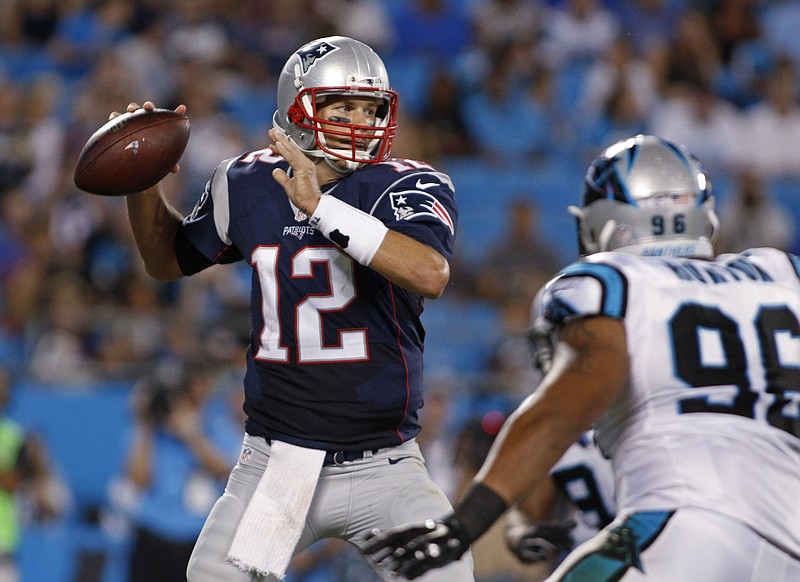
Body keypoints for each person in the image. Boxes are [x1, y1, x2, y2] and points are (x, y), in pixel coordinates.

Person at [364, 134, 800, 581]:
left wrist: (464, 524)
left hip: (688, 528)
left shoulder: (610, 282)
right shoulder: (781, 273)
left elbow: (567, 404)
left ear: (605, 223)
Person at [114, 36, 470, 581]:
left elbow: (429, 272)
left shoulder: (407, 182)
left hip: (386, 466)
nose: (361, 120)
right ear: (299, 104)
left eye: (370, 107)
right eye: (342, 106)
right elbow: (167, 260)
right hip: (279, 465)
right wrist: (141, 185)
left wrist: (322, 209)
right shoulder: (249, 181)